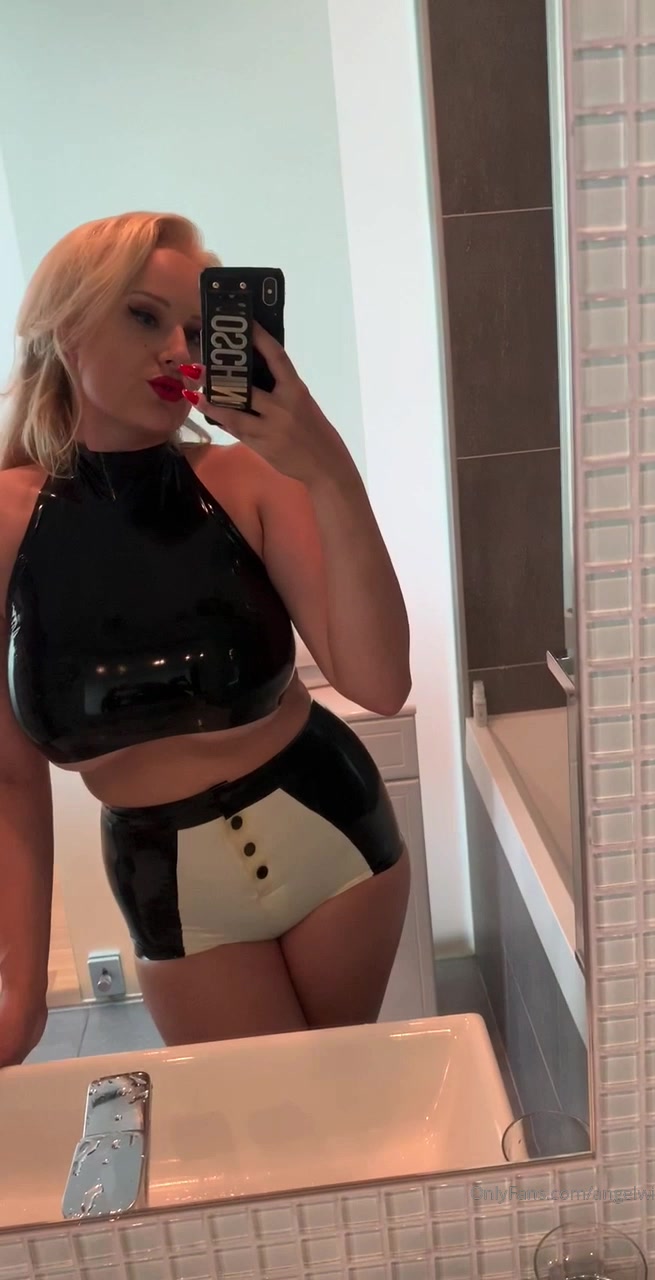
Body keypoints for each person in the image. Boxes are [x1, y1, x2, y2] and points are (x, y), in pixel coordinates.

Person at [0, 211, 412, 1066]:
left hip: (330, 836)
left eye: (195, 329)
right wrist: (22, 987)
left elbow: (379, 684)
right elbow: (8, 778)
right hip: (169, 884)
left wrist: (327, 466)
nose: (175, 350)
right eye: (144, 316)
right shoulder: (5, 522)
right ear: (66, 325)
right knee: (271, 1123)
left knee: (345, 1104)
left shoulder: (250, 480)